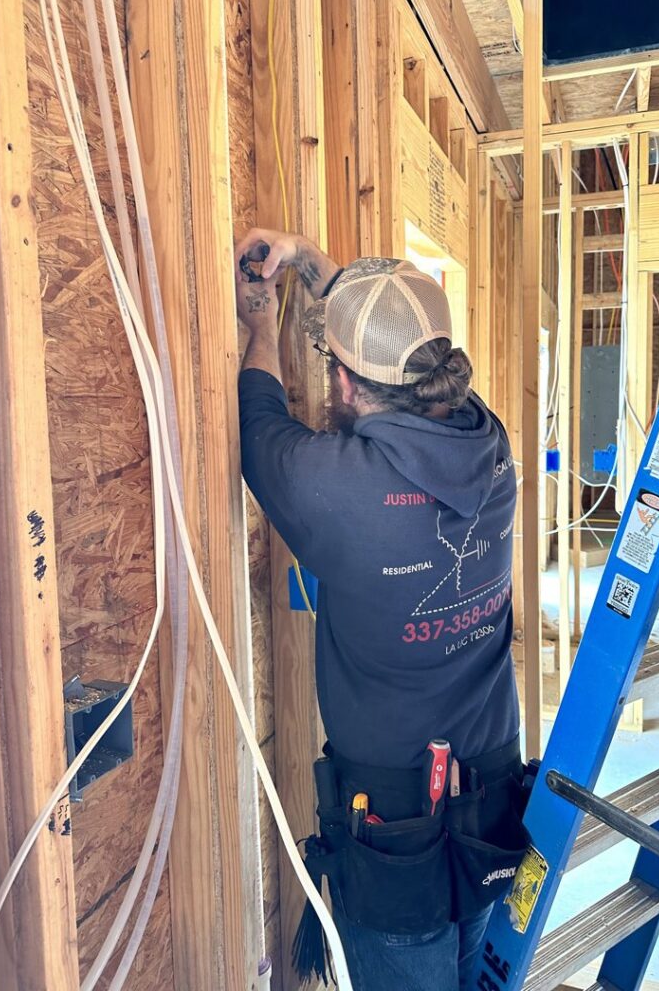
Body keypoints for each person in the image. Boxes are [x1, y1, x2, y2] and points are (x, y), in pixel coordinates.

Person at [234, 228, 528, 991]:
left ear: (344, 382)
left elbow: (258, 425)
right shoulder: (491, 448)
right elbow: (387, 348)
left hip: (395, 831)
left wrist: (263, 322)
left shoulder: (336, 488)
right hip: (494, 797)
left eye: (335, 370)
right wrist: (308, 261)